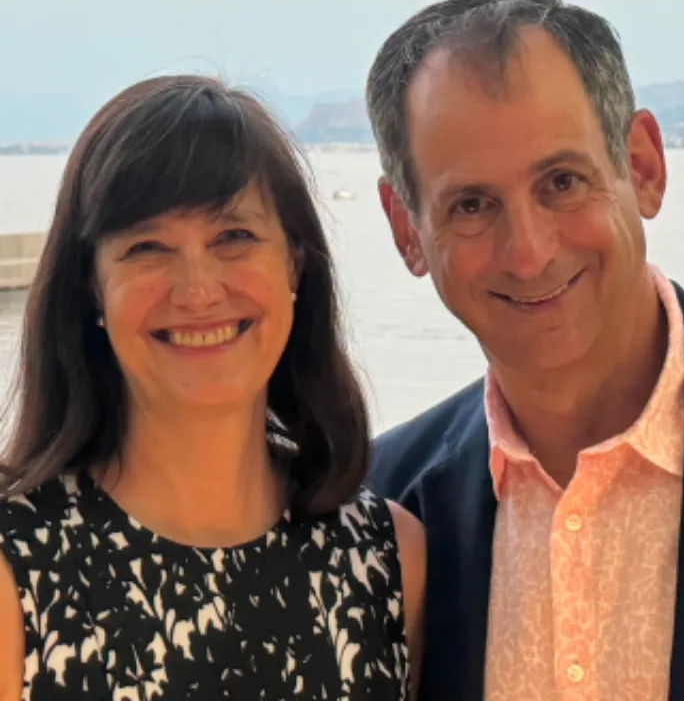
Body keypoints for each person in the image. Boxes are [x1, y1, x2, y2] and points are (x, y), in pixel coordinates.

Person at [365, 0, 684, 701]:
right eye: (470, 205)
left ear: (642, 166)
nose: (527, 252)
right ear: (405, 229)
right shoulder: (379, 520)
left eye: (561, 182)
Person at [0, 75, 425, 700]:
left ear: (295, 265)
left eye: (234, 237)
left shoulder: (387, 560)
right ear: (92, 287)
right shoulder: (15, 572)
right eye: (147, 246)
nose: (197, 290)